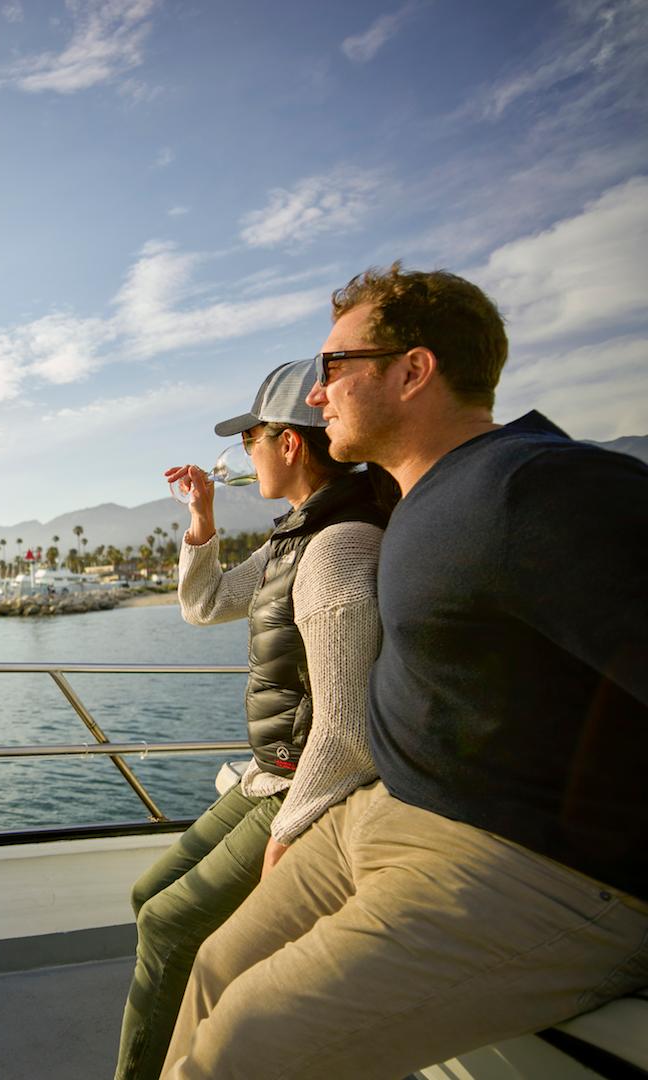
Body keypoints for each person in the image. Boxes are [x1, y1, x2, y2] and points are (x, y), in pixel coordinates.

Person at [159, 264, 648, 1079]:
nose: (318, 399)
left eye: (335, 371)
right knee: (211, 966)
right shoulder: (415, 500)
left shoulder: (537, 485)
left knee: (240, 1046)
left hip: (523, 862)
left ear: (413, 370)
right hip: (383, 810)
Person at [113, 358, 392, 1080]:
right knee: (150, 897)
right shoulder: (296, 536)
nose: (246, 456)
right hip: (272, 773)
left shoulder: (339, 547)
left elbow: (345, 729)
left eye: (252, 440)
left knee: (169, 925)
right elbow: (204, 605)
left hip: (305, 785)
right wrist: (201, 522)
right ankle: (182, 1043)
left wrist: (292, 830)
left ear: (290, 445)